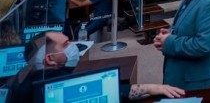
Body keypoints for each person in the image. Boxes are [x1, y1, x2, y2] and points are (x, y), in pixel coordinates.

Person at [5, 31, 184, 103]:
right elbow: (107, 91)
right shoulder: (48, 84)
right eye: (66, 43)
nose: (74, 46)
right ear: (50, 59)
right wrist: (154, 88)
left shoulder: (25, 74)